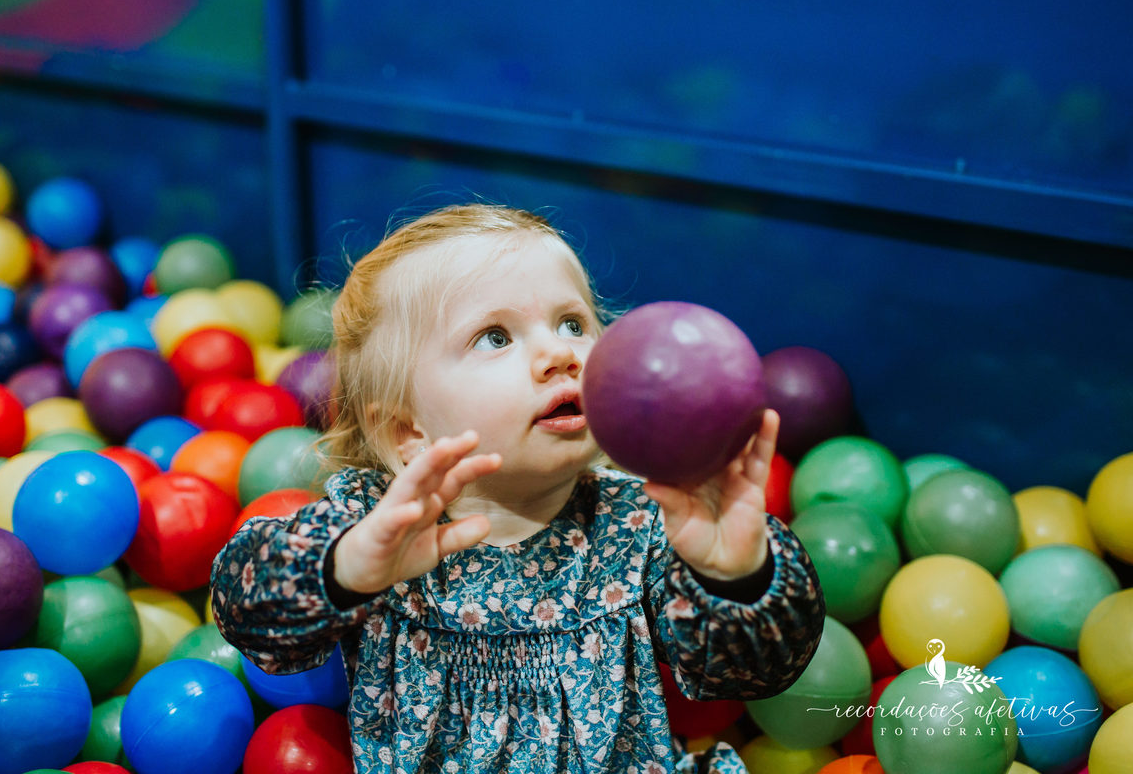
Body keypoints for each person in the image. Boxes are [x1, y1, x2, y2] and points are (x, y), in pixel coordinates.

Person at [211, 203, 825, 773]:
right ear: (408, 432)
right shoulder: (376, 526)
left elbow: (751, 674)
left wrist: (736, 574)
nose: (559, 352)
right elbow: (246, 612)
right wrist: (346, 568)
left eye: (573, 322)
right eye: (496, 337)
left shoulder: (640, 521)